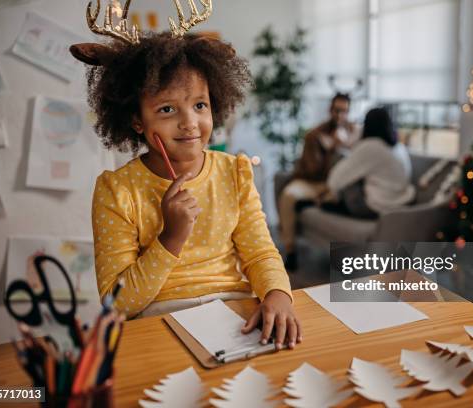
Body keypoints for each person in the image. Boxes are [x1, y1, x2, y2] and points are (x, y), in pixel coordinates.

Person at [71, 30, 301, 349]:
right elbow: (117, 303)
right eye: (167, 109)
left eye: (199, 105)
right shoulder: (117, 190)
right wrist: (171, 237)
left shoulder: (234, 171)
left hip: (235, 315)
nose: (189, 122)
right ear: (138, 119)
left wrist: (277, 294)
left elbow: (259, 251)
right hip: (157, 326)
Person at [278, 93, 358, 269]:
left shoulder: (354, 133)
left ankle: (313, 202)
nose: (340, 115)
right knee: (289, 196)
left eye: (344, 111)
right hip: (312, 182)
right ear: (330, 110)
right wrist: (330, 148)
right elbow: (312, 171)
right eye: (337, 110)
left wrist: (344, 145)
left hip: (334, 185)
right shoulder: (314, 135)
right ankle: (291, 251)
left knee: (338, 197)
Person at [326, 107, 415, 218]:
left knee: (339, 157)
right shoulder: (399, 147)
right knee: (357, 169)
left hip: (376, 206)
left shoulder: (371, 146)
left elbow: (334, 181)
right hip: (403, 201)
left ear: (366, 125)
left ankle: (330, 202)